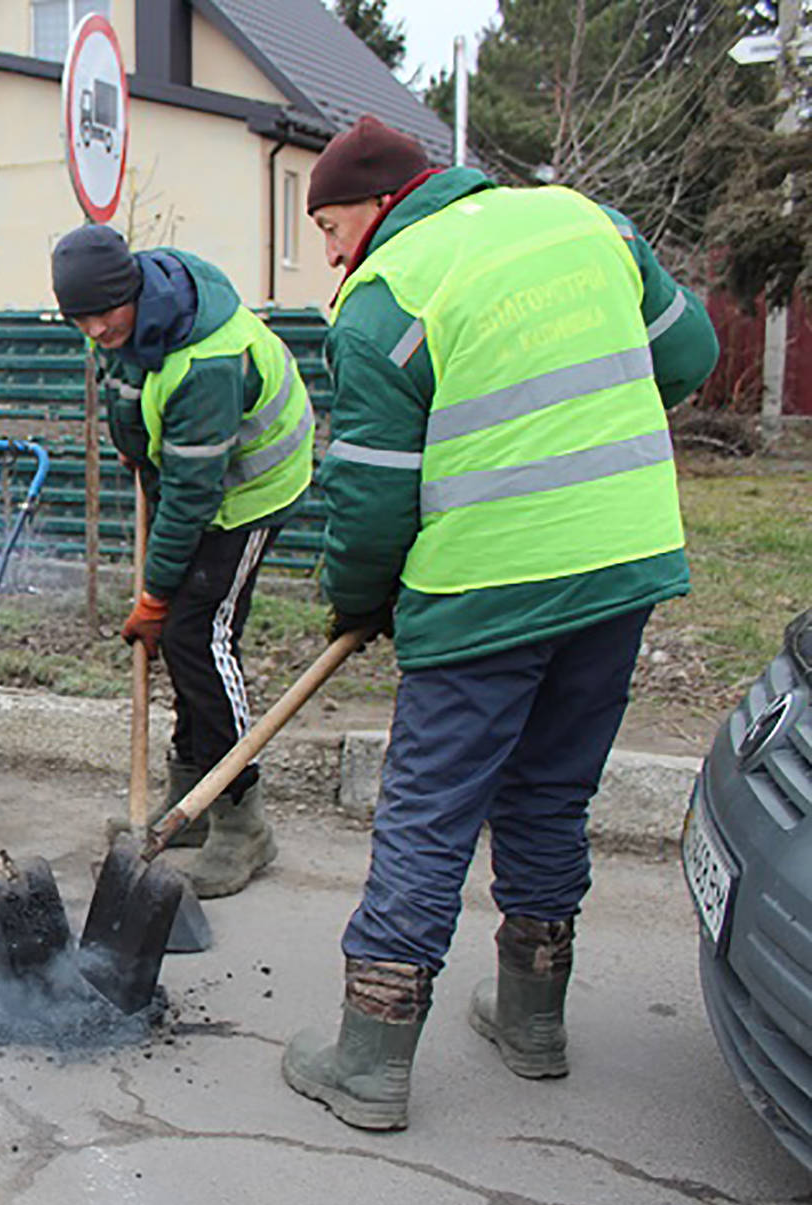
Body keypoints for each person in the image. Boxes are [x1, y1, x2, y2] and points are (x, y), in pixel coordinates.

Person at [281, 116, 719, 1131]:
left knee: (430, 809)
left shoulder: (387, 300)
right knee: (552, 789)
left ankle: (372, 1059)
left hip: (487, 587)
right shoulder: (590, 223)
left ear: (385, 204)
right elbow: (687, 353)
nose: (335, 253)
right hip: (619, 560)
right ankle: (534, 1021)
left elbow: (374, 501)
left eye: (337, 226)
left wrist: (358, 598)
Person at [50, 225, 314, 898]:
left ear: (133, 289)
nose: (94, 328)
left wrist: (156, 596)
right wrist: (137, 448)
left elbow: (196, 495)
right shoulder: (125, 325)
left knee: (201, 635)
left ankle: (241, 816)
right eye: (79, 317)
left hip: (250, 492)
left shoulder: (208, 361)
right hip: (194, 482)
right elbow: (132, 396)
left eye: (104, 313)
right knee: (184, 641)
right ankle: (189, 797)